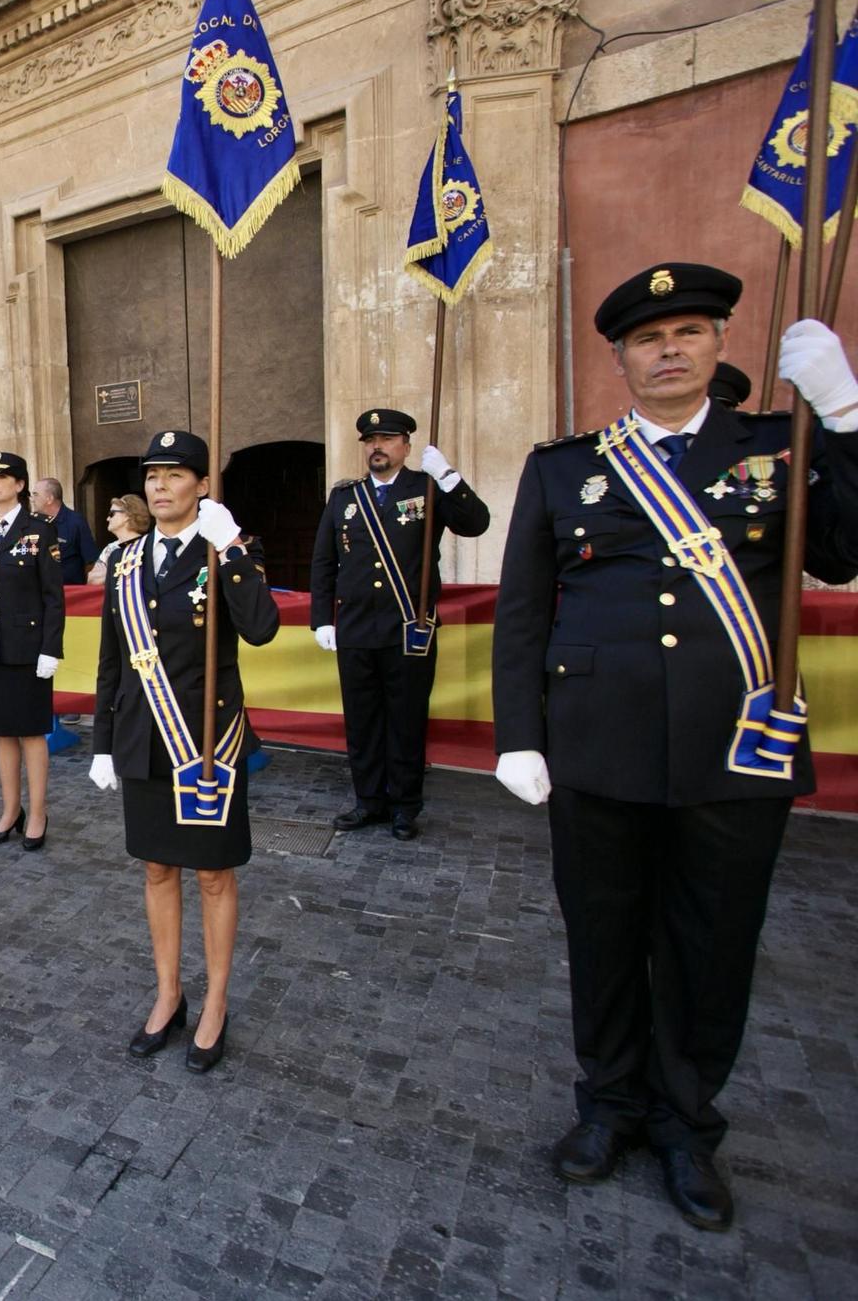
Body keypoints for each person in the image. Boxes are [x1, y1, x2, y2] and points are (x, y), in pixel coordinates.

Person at [492, 265, 858, 1231]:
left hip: (734, 744)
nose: (669, 348)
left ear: (719, 343)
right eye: (649, 337)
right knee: (603, 937)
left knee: (711, 945)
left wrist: (850, 419)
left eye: (690, 331)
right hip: (597, 748)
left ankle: (688, 1124)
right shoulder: (566, 467)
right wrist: (520, 736)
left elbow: (845, 549)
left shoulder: (780, 447)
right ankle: (609, 1104)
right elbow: (524, 614)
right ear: (619, 355)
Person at [90, 429, 279, 1073]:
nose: (161, 486)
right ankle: (170, 992)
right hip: (144, 740)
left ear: (202, 485)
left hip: (205, 744)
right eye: (152, 476)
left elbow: (262, 629)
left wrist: (230, 547)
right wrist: (101, 743)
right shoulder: (124, 560)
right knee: (156, 870)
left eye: (175, 475)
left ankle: (217, 1001)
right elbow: (112, 659)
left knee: (214, 874)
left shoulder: (225, 549)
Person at [309, 408, 491, 841]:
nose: (377, 447)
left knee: (406, 721)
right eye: (371, 440)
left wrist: (447, 475)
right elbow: (324, 563)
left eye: (388, 439)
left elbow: (476, 523)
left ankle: (405, 807)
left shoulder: (426, 487)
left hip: (410, 628)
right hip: (354, 629)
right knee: (362, 720)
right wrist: (322, 619)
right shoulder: (344, 498)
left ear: (406, 446)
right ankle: (368, 801)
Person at [0, 451, 65, 851]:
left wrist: (50, 648)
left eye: (2, 477)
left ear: (20, 485)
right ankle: (10, 810)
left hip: (28, 648)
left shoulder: (39, 530)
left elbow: (53, 596)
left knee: (32, 734)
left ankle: (37, 812)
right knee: (1, 732)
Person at [30, 477, 100, 586]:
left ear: (49, 499)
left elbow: (90, 561)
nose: (32, 499)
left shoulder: (75, 522)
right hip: (39, 593)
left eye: (36, 494)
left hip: (68, 593)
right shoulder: (32, 523)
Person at [88, 494, 152, 584]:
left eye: (112, 514)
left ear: (127, 516)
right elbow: (91, 580)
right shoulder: (109, 549)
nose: (107, 518)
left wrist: (108, 573)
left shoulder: (147, 546)